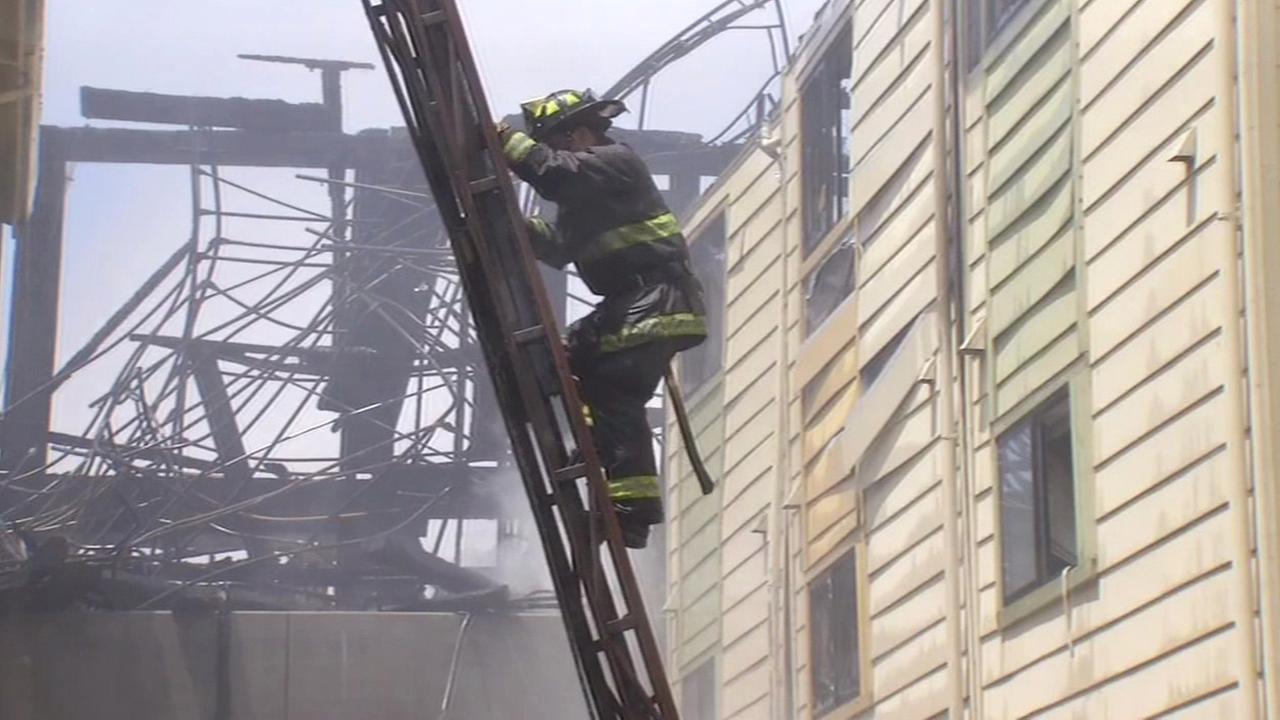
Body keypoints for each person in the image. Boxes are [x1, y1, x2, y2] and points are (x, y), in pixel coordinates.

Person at [496, 89, 707, 549]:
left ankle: (631, 508)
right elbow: (558, 247)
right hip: (637, 302)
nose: (557, 149)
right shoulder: (590, 199)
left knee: (609, 388)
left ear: (580, 132)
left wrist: (507, 145)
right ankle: (608, 467)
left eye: (557, 140)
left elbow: (554, 174)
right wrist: (508, 220)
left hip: (653, 299)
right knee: (570, 366)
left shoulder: (615, 161)